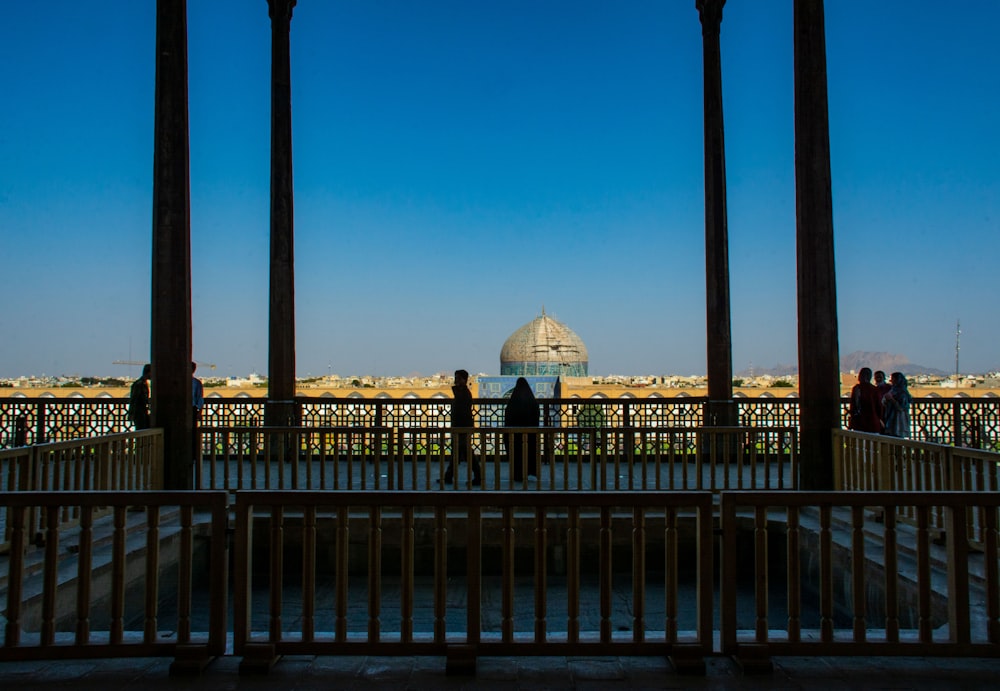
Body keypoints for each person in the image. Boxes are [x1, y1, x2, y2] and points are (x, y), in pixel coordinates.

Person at [443, 369, 480, 486]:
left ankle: (478, 476)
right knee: (458, 453)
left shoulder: (464, 393)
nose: (456, 381)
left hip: (462, 427)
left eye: (459, 378)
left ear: (464, 380)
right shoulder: (462, 392)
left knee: (465, 453)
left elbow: (462, 410)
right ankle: (448, 476)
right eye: (456, 378)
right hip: (459, 427)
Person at [505, 377, 540, 481]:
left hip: (514, 435)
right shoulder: (532, 402)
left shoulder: (513, 402)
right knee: (528, 452)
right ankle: (529, 471)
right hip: (530, 435)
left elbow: (508, 416)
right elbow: (536, 415)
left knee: (516, 454)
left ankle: (517, 474)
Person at [848, 367, 883, 433]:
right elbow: (879, 407)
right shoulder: (875, 390)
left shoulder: (857, 389)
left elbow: (853, 406)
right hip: (873, 423)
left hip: (859, 423)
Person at [882, 372, 912, 438]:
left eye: (893, 379)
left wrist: (891, 399)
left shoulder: (902, 392)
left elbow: (901, 408)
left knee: (898, 436)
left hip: (898, 418)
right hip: (891, 417)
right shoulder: (893, 389)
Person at [128, 364, 152, 430]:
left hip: (142, 412)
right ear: (149, 372)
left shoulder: (142, 383)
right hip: (139, 413)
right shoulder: (139, 384)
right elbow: (134, 399)